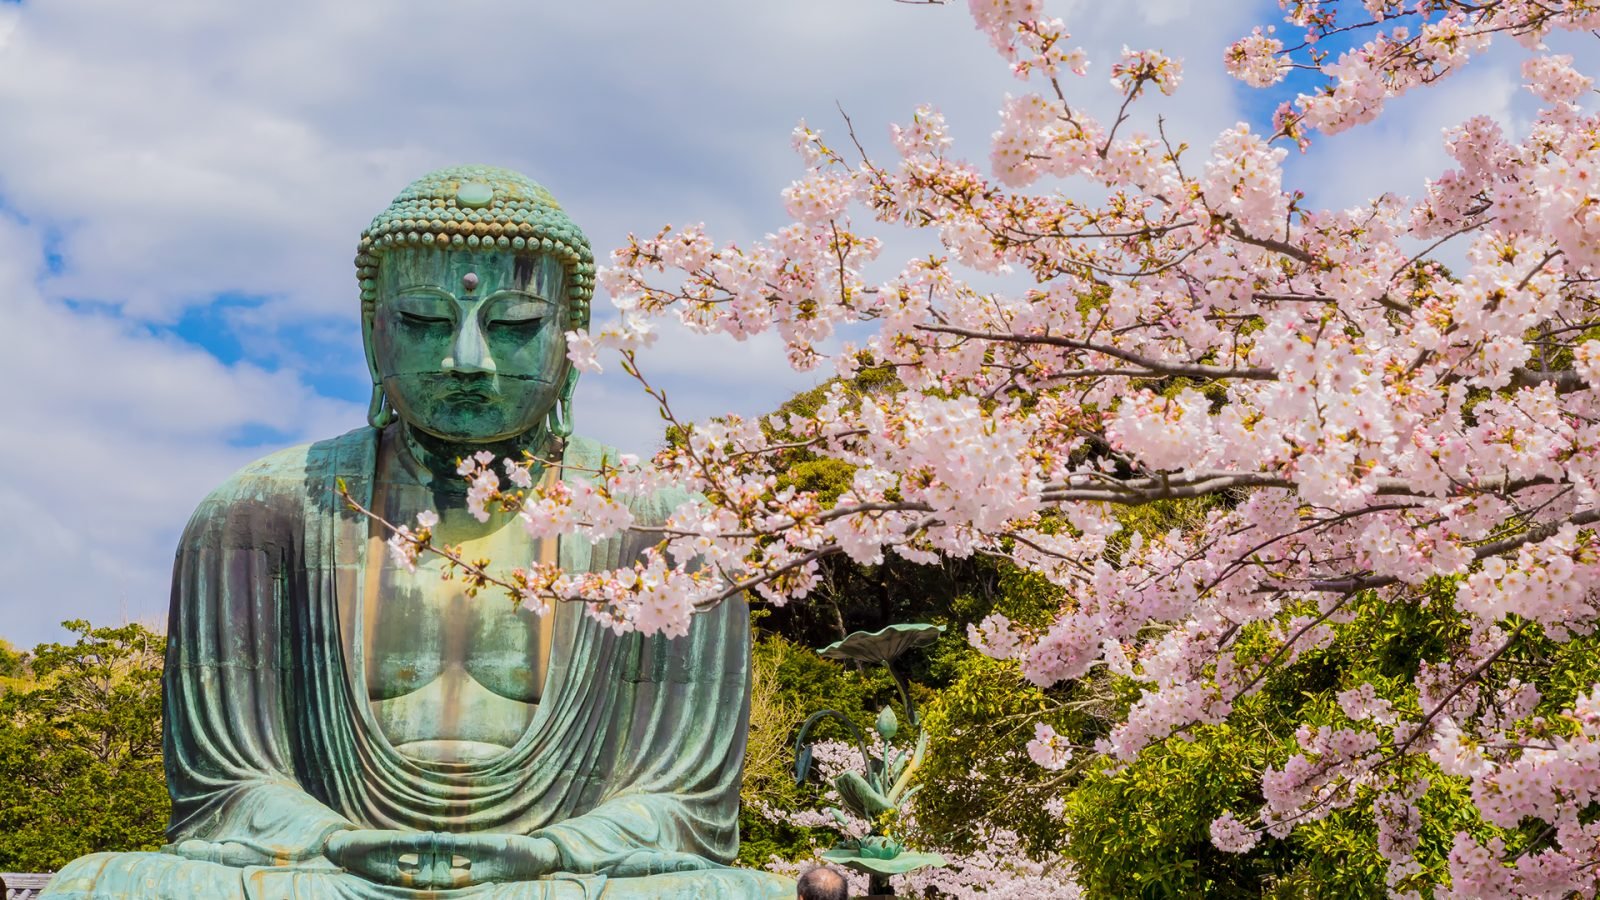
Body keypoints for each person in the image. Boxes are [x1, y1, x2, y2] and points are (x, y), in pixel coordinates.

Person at [41, 167, 793, 899]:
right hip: (328, 867)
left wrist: (549, 853)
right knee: (99, 887)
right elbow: (224, 789)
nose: (468, 359)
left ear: (572, 340)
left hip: (558, 875)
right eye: (427, 322)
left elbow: (684, 803)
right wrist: (334, 840)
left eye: (514, 325)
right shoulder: (257, 513)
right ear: (375, 337)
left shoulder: (666, 527)